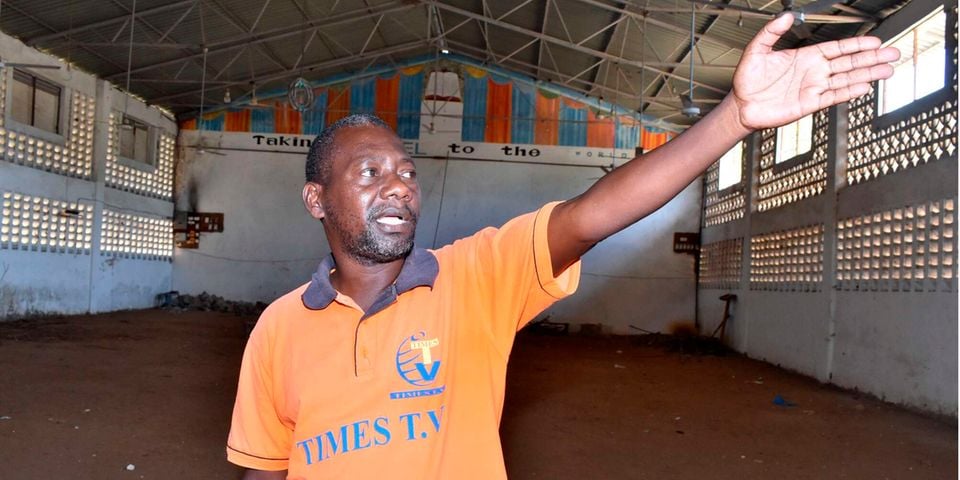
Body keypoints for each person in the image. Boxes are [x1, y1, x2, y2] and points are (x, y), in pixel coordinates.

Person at [226, 14, 899, 480]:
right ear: (317, 199)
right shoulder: (278, 330)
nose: (399, 185)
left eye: (406, 170)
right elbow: (266, 466)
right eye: (370, 172)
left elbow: (589, 217)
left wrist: (734, 118)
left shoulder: (475, 279)